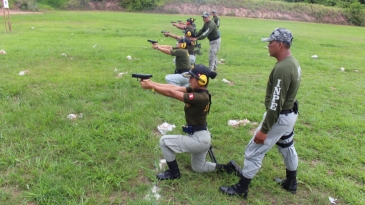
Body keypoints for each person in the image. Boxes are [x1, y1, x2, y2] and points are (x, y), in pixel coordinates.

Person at [219, 28, 301, 199]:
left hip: (279, 116)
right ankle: (291, 183)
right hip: (289, 114)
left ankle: (242, 188)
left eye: (270, 43)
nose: (268, 46)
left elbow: (275, 103)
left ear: (279, 44)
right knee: (287, 146)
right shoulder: (292, 62)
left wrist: (264, 129)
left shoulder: (283, 68)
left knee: (253, 151)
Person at [139, 64, 240, 180]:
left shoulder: (200, 97)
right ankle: (228, 167)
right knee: (198, 167)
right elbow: (173, 88)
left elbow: (172, 94)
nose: (189, 80)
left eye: (192, 78)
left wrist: (152, 87)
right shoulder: (197, 90)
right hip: (202, 137)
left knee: (164, 141)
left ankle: (174, 172)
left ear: (202, 81)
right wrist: (152, 83)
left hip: (199, 140)